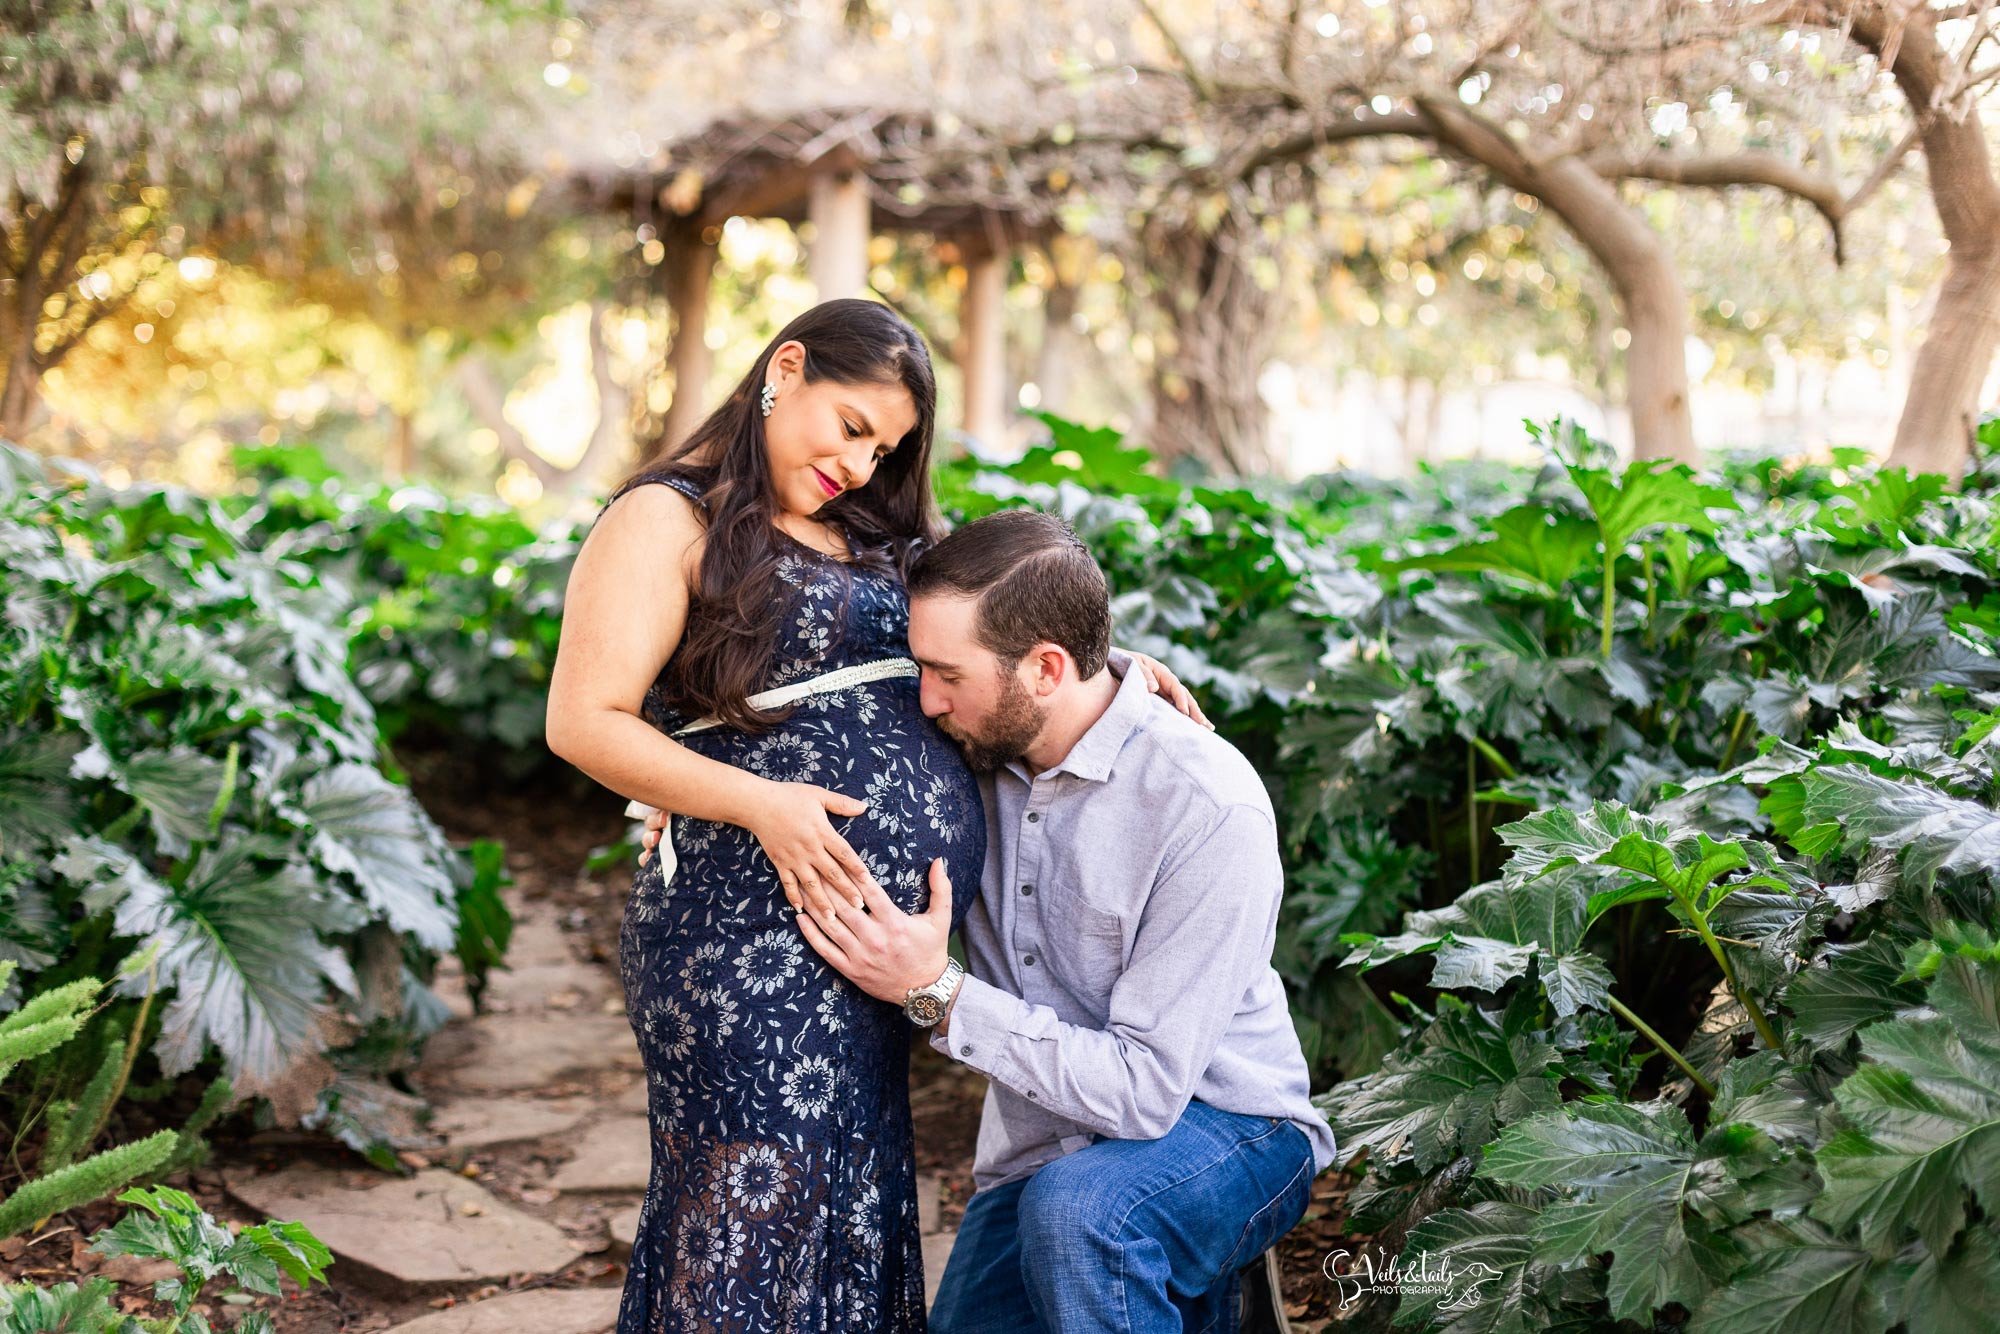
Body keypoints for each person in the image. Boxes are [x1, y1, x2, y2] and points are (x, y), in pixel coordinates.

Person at [548, 299, 1198, 1332]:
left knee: (850, 1205)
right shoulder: (665, 518)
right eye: (851, 425)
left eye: (884, 446)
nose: (860, 463)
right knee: (747, 1216)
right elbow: (583, 721)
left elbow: (986, 630)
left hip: (874, 954)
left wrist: (1104, 666)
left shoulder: (876, 530)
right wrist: (760, 804)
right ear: (785, 368)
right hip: (741, 933)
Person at [751, 507, 1338, 1333]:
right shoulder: (977, 742)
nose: (926, 700)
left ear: (1048, 669)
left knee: (1084, 1219)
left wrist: (936, 991)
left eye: (948, 675)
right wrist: (699, 798)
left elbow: (1145, 1094)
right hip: (1042, 1152)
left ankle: (1190, 1274)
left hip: (1228, 1126)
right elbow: (815, 722)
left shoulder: (1207, 806)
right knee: (1054, 1226)